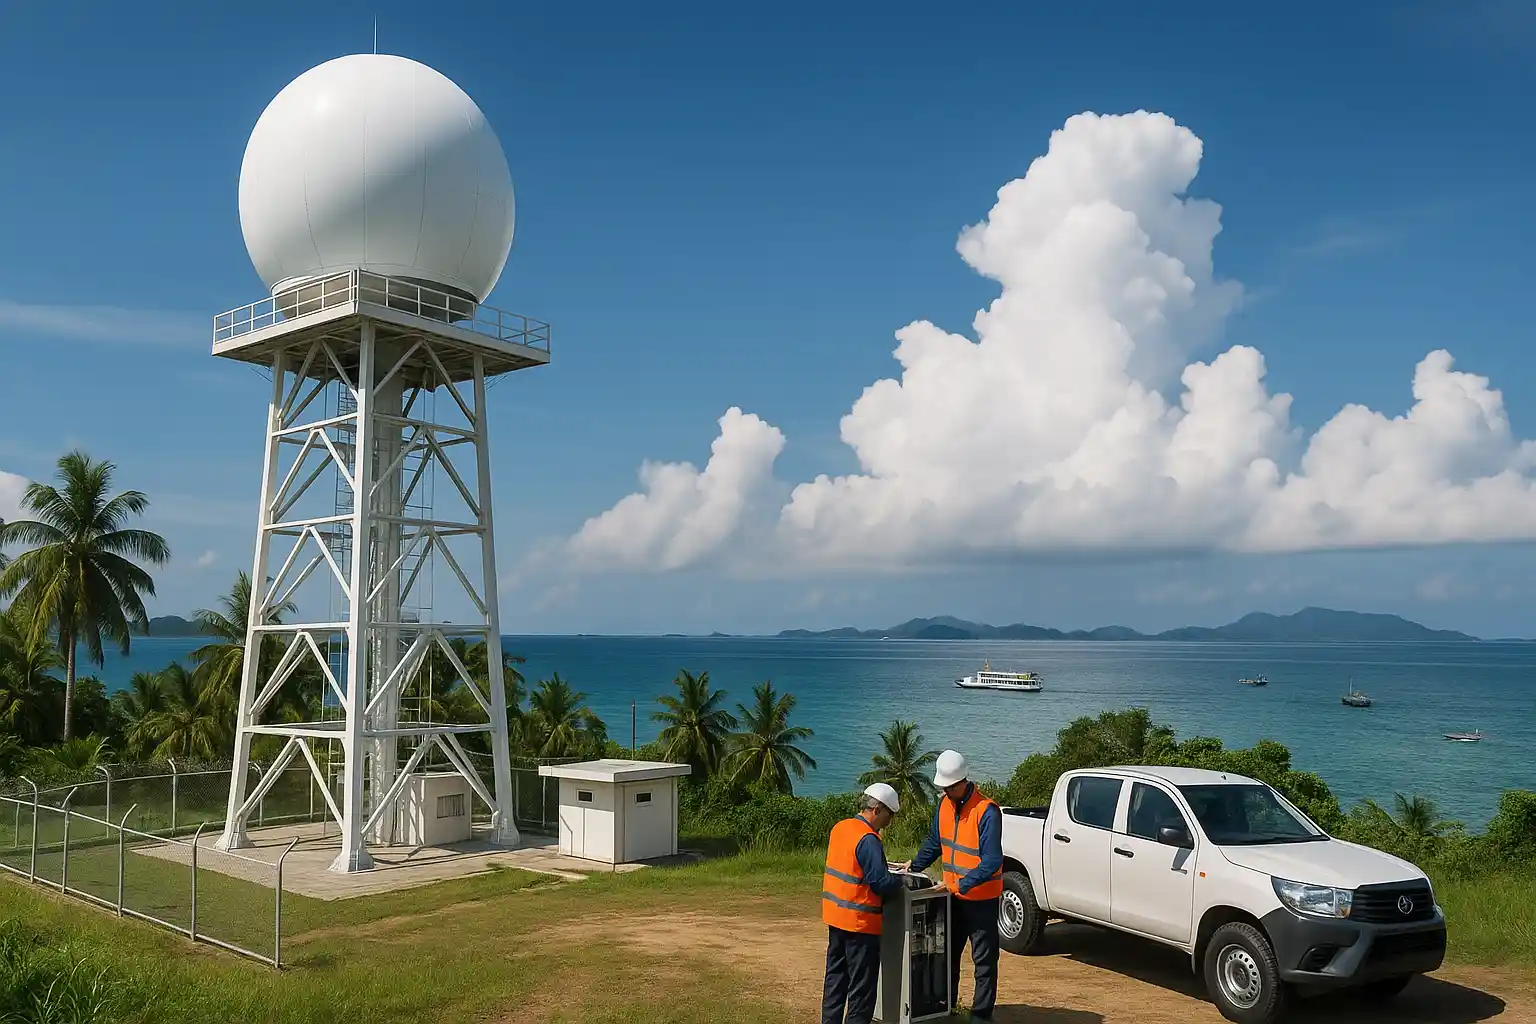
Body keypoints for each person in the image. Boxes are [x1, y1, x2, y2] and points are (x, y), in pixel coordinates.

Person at [895, 750, 1003, 1023]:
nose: (943, 791)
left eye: (947, 787)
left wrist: (960, 884)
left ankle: (981, 1015)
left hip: (981, 899)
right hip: (952, 898)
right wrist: (915, 866)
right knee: (947, 956)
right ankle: (947, 1007)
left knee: (984, 962)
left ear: (960, 783)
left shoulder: (986, 811)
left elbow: (991, 860)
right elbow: (935, 842)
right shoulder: (943, 806)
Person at [822, 782, 904, 1024]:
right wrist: (901, 881)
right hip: (860, 924)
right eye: (890, 814)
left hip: (836, 919)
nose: (890, 821)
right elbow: (879, 882)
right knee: (861, 991)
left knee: (835, 981)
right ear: (877, 810)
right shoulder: (869, 839)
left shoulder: (841, 828)